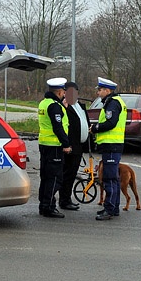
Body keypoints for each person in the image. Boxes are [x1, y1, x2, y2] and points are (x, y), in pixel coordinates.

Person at [90, 77, 126, 221]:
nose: (98, 93)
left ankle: (109, 209)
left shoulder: (112, 103)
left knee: (110, 178)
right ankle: (113, 207)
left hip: (112, 145)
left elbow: (111, 123)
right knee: (114, 179)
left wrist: (96, 128)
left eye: (100, 90)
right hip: (113, 145)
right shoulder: (114, 102)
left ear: (107, 90)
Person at [37, 77, 71, 218]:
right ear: (58, 92)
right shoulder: (54, 106)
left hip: (44, 145)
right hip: (54, 146)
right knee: (55, 178)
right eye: (63, 91)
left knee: (45, 177)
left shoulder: (44, 103)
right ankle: (48, 206)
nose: (64, 94)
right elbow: (58, 127)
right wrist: (66, 144)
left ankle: (44, 204)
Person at [59, 81, 89, 211]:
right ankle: (64, 200)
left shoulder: (80, 106)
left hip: (79, 146)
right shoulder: (63, 106)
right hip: (69, 147)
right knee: (67, 175)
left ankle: (66, 198)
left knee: (72, 174)